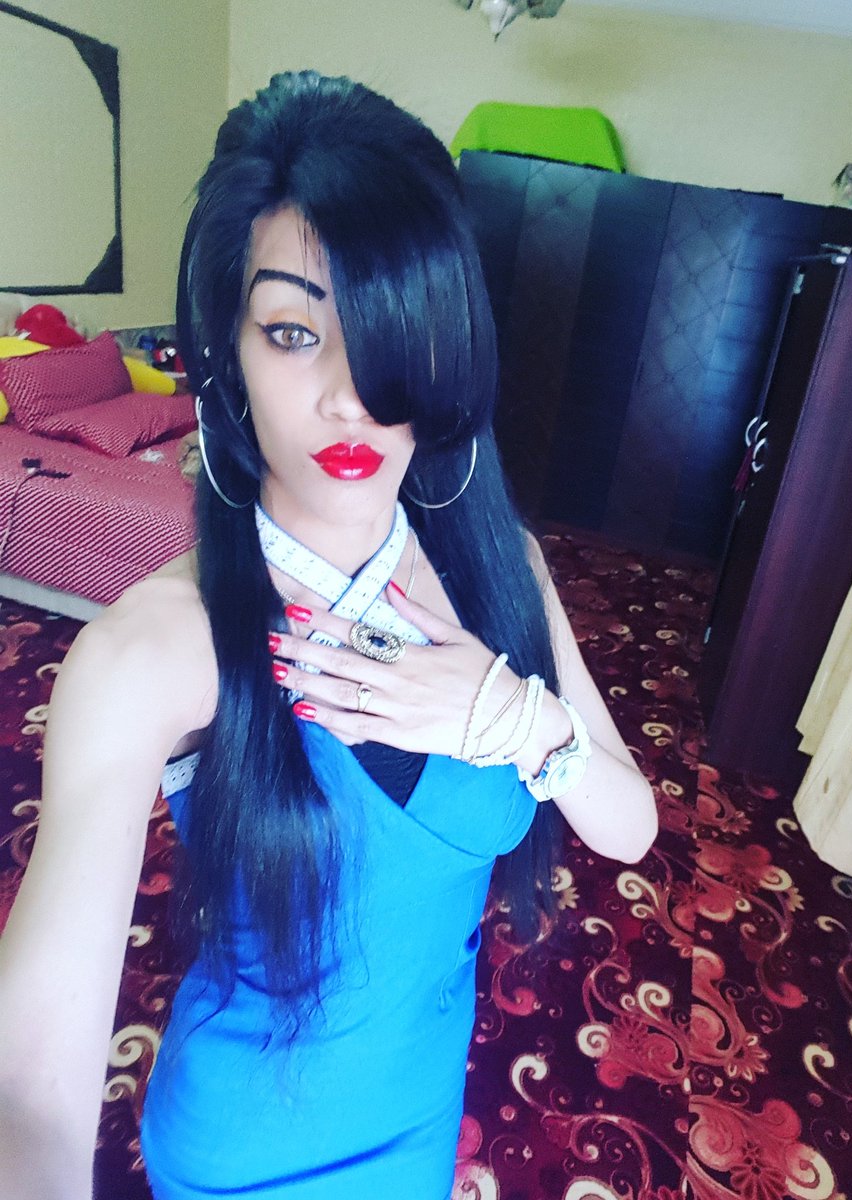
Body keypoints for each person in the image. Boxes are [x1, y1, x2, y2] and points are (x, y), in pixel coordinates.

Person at [0, 72, 656, 1200]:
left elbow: (632, 827)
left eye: (389, 330)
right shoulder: (153, 652)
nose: (352, 396)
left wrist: (511, 719)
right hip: (247, 1157)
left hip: (420, 1117)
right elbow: (29, 1094)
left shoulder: (503, 566)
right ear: (227, 348)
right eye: (295, 331)